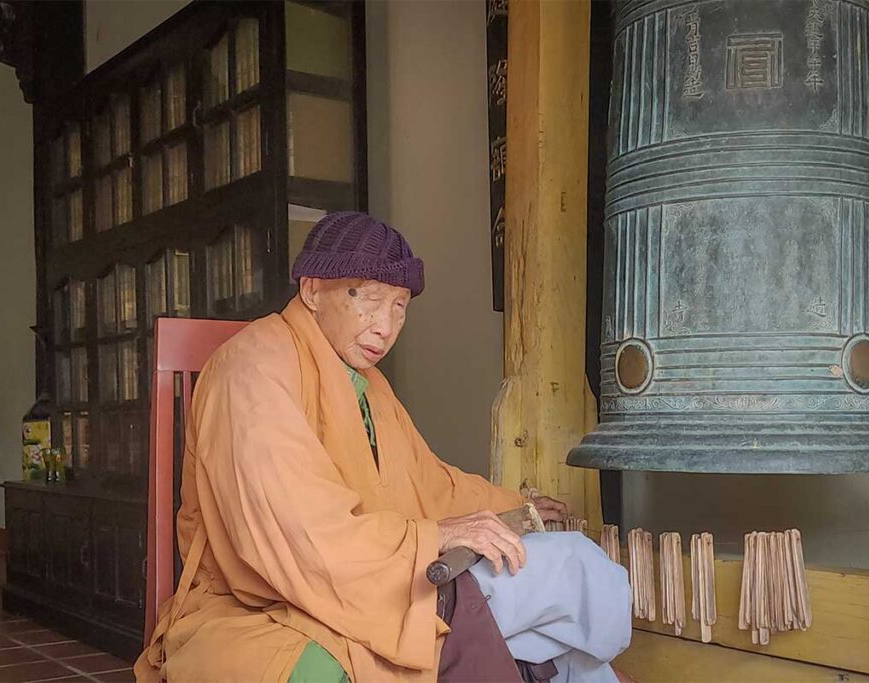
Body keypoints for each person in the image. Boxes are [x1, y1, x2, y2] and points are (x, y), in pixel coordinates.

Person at [134, 212, 632, 682]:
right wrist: (432, 537)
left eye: (399, 307)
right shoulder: (252, 367)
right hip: (263, 605)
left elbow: (429, 482)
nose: (385, 326)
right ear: (311, 289)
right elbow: (296, 531)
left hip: (370, 575)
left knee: (562, 600)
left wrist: (510, 508)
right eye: (366, 298)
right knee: (571, 572)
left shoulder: (368, 384)